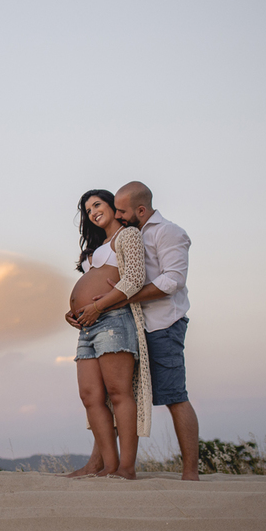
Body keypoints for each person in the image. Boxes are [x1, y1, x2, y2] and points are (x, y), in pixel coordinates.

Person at [72, 181, 199, 481]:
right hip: (127, 321)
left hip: (161, 324)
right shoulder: (125, 234)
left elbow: (172, 281)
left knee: (173, 394)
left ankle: (190, 472)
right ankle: (101, 464)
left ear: (139, 209)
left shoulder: (165, 232)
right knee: (105, 397)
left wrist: (106, 302)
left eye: (119, 209)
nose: (117, 213)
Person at [63, 189, 152, 479]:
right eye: (88, 210)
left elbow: (135, 279)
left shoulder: (127, 236)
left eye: (97, 205)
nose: (92, 212)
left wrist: (97, 305)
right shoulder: (97, 246)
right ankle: (107, 466)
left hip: (113, 320)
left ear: (114, 206)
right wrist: (74, 309)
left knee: (119, 393)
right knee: (90, 396)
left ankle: (125, 468)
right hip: (87, 326)